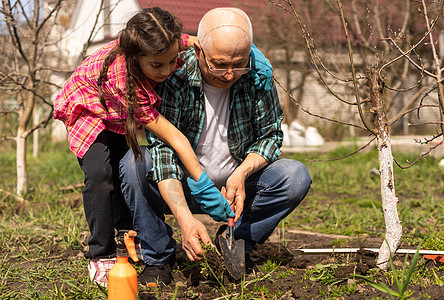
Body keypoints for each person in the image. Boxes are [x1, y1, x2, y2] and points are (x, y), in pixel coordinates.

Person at [119, 7, 312, 286]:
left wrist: (242, 173)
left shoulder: (257, 74)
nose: (229, 74)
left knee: (295, 176)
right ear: (199, 52)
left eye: (239, 63)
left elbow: (270, 136)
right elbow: (163, 152)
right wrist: (185, 219)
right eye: (219, 64)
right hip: (184, 184)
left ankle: (237, 240)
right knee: (135, 164)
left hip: (236, 190)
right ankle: (159, 256)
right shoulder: (175, 74)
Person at [53, 7, 233, 287]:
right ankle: (101, 253)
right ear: (136, 57)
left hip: (116, 110)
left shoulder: (164, 41)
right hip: (89, 106)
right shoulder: (125, 81)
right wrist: (205, 184)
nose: (167, 71)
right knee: (101, 176)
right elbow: (175, 137)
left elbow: (194, 41)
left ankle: (128, 236)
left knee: (125, 169)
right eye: (157, 65)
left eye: (172, 61)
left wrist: (227, 51)